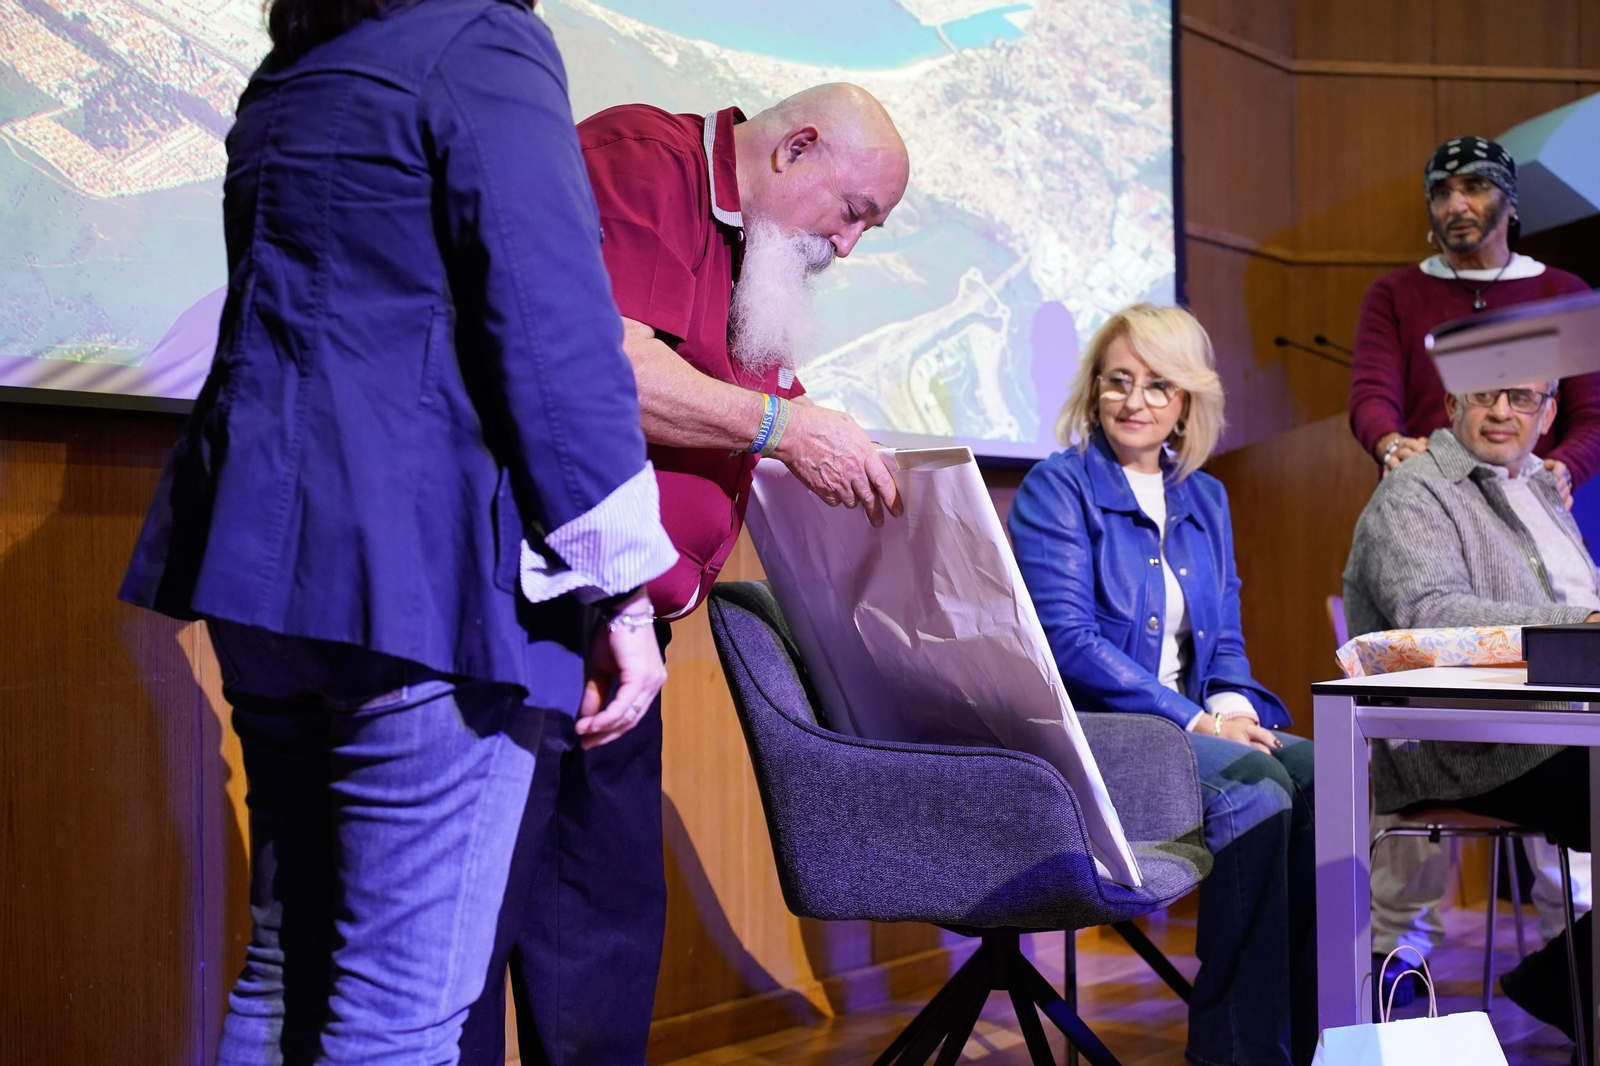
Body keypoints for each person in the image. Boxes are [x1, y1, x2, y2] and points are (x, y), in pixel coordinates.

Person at [117, 1, 678, 1062]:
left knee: (286, 965)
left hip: (263, 582)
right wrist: (622, 594)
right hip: (418, 589)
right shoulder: (482, 43)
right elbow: (557, 339)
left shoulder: (293, 70)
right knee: (397, 1012)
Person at [459, 84, 910, 1065]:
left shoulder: (757, 259)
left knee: (604, 926)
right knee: (484, 924)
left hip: (626, 624)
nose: (849, 246)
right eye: (854, 213)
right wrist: (788, 430)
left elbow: (746, 410)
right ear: (793, 150)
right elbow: (602, 367)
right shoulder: (641, 158)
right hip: (541, 600)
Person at [1009, 305, 1316, 1066]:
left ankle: (1309, 1035)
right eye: (1118, 381)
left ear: (1185, 401)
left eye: (1157, 385)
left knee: (1319, 773)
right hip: (1101, 732)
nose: (1135, 401)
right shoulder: (1058, 488)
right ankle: (1237, 1051)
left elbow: (1226, 642)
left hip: (1189, 726)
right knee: (1255, 790)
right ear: (1093, 390)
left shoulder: (1205, 498)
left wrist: (1232, 706)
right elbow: (1068, 644)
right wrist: (1198, 723)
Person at [1343, 380, 1600, 1045]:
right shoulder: (1415, 491)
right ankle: (1570, 980)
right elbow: (1433, 618)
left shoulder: (1545, 493)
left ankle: (1568, 977)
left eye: (1522, 397)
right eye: (1486, 393)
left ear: (1548, 414)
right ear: (1452, 402)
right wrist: (1584, 621)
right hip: (1462, 745)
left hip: (1564, 732)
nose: (1501, 412)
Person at [1349, 136, 1598, 508]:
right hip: (1427, 499)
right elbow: (1371, 395)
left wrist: (1564, 468)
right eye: (1441, 193)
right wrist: (1392, 446)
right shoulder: (1393, 293)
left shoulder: (1562, 291)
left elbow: (1592, 415)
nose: (1456, 205)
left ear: (1511, 201)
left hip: (1532, 499)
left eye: (1475, 187)